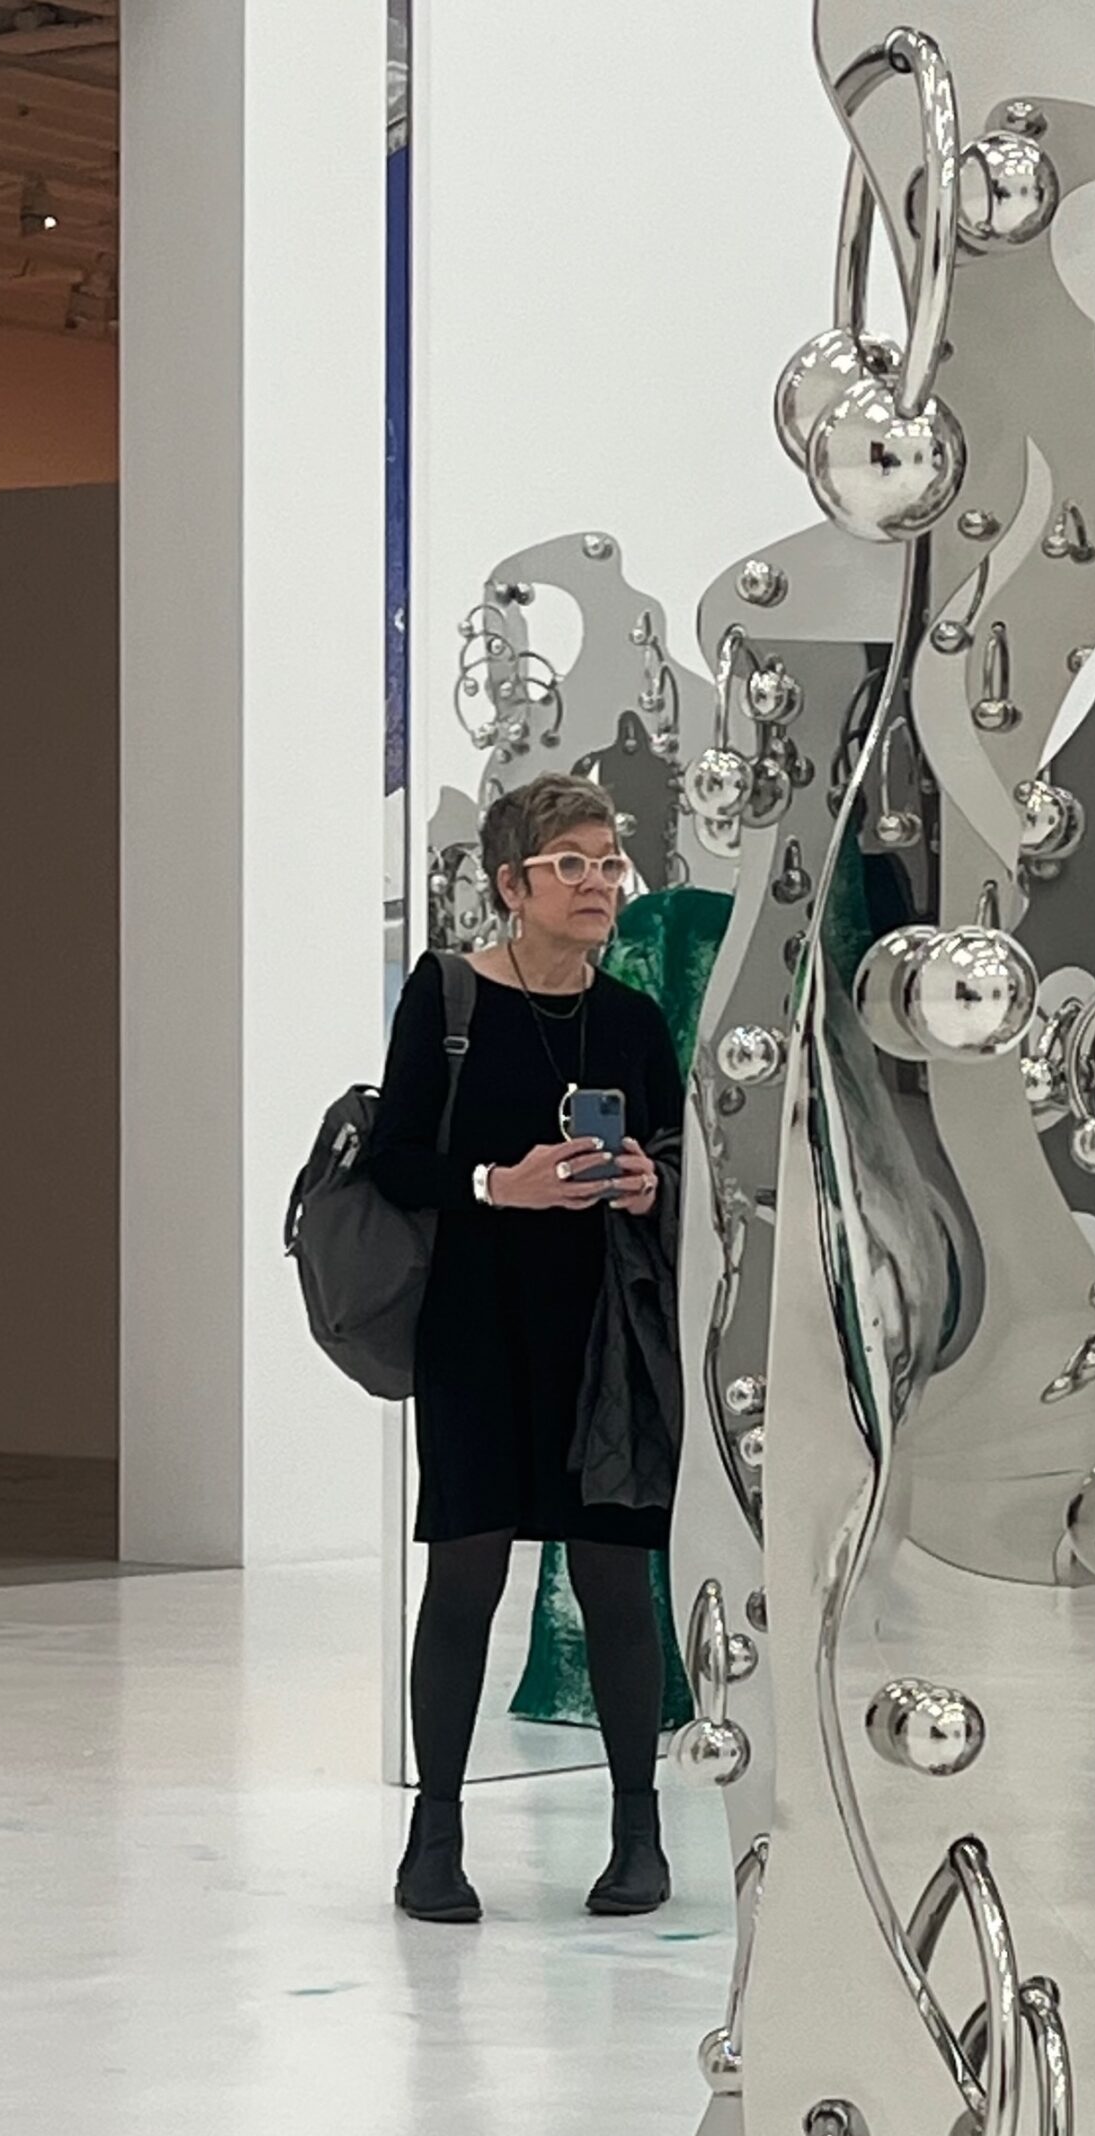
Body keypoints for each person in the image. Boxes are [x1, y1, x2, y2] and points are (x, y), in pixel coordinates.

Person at [368, 773, 684, 1925]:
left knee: (613, 1575)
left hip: (601, 1333)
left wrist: (648, 1181)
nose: (600, 883)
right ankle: (434, 1838)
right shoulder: (447, 997)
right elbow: (396, 1160)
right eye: (573, 864)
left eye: (609, 862)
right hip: (475, 1322)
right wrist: (498, 1184)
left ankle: (637, 1832)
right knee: (465, 1570)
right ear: (511, 885)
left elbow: (675, 1156)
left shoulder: (636, 1020)